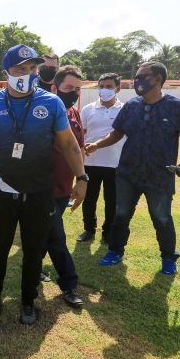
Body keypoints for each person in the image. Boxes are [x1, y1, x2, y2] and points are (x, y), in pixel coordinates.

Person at [0, 44, 88, 325]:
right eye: (19, 69)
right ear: (6, 73)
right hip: (1, 192)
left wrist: (82, 177)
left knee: (34, 250)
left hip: (39, 193)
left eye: (32, 68)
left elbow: (69, 143)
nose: (27, 74)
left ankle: (27, 300)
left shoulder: (51, 103)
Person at [85, 62, 180, 275]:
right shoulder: (131, 106)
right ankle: (115, 252)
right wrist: (97, 145)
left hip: (160, 176)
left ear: (157, 78)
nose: (137, 81)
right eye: (136, 77)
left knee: (162, 218)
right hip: (127, 173)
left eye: (142, 76)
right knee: (121, 215)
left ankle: (168, 258)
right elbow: (117, 133)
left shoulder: (175, 106)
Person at [41, 65, 86, 308]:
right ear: (54, 87)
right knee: (56, 237)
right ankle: (69, 284)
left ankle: (35, 267)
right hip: (42, 189)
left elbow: (79, 149)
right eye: (69, 88)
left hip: (63, 188)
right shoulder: (42, 113)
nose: (73, 93)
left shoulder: (74, 114)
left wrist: (81, 179)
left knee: (46, 233)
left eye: (77, 89)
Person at [78, 73, 125, 243]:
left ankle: (108, 232)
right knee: (89, 199)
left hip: (116, 164)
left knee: (112, 201)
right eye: (102, 86)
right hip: (90, 163)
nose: (104, 90)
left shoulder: (125, 109)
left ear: (118, 89)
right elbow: (80, 135)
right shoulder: (88, 109)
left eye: (109, 86)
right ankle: (89, 230)